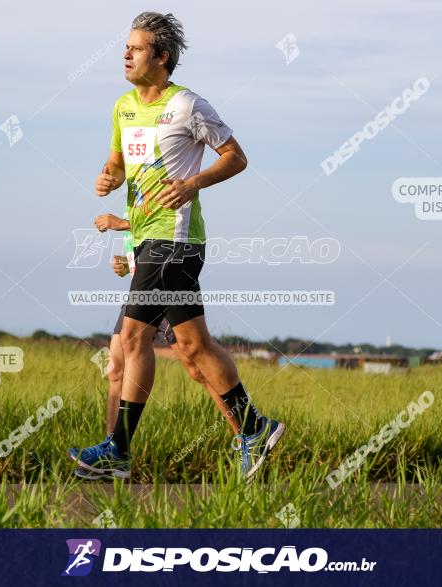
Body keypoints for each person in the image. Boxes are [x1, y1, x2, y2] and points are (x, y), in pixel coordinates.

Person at [70, 12, 284, 481]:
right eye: (125, 47)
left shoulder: (189, 106)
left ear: (162, 57)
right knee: (192, 345)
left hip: (176, 238)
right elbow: (118, 165)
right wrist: (109, 178)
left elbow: (236, 157)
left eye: (136, 48)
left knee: (131, 339)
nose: (126, 54)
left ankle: (118, 452)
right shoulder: (123, 107)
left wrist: (194, 183)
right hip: (148, 237)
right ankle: (254, 428)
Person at [69, 211, 240, 480]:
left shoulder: (160, 174)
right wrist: (127, 262)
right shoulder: (135, 187)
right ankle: (112, 453)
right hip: (145, 279)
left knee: (197, 365)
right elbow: (144, 235)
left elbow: (165, 224)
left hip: (164, 274)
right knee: (116, 367)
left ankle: (246, 436)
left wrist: (120, 224)